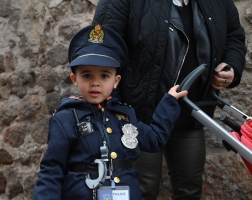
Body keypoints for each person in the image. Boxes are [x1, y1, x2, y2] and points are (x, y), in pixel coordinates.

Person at [92, 0, 247, 199]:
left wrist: (231, 66)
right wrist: (113, 109)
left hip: (191, 114)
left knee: (189, 189)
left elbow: (234, 35)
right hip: (137, 117)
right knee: (140, 190)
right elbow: (102, 47)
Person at [32, 24, 188, 200]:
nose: (95, 83)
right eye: (87, 75)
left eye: (104, 76)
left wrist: (170, 102)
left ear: (116, 81)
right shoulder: (65, 119)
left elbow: (155, 140)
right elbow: (51, 171)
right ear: (74, 79)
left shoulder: (125, 116)